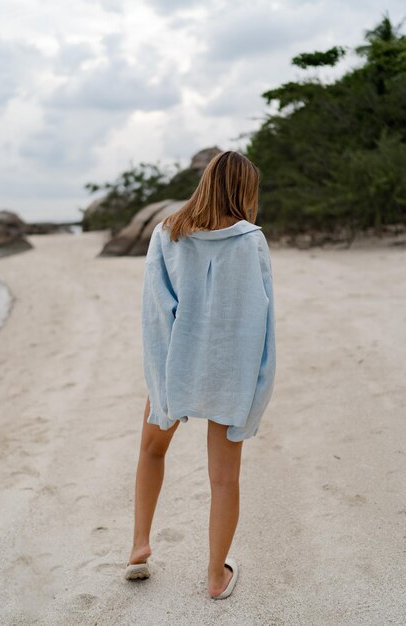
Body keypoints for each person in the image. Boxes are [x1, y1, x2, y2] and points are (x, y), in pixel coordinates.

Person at [125, 150, 276, 600]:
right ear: (246, 190)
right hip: (231, 372)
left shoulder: (166, 233)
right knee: (224, 479)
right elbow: (263, 325)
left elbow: (156, 314)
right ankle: (215, 576)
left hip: (176, 365)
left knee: (152, 452)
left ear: (205, 181)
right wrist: (257, 392)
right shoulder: (251, 241)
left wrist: (159, 381)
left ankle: (138, 546)